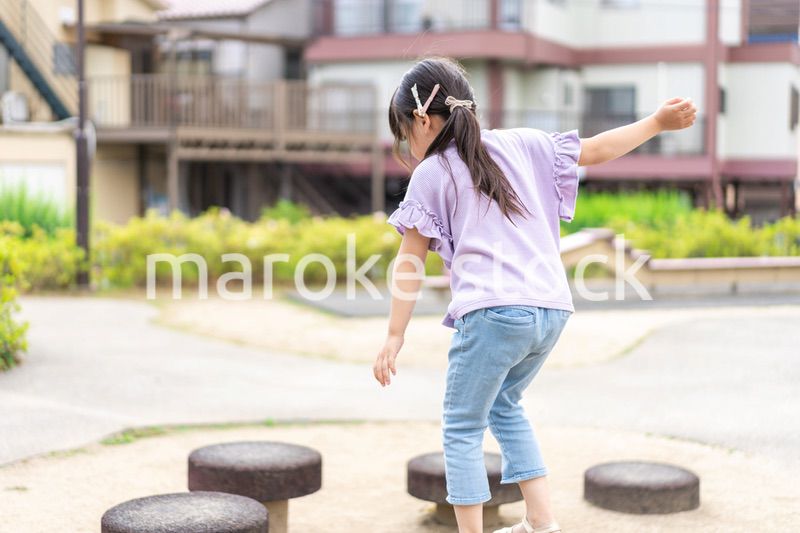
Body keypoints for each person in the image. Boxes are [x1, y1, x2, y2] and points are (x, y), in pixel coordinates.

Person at [372, 56, 696, 533]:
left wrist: (394, 336)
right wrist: (657, 122)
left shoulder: (433, 172)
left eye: (405, 133)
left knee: (462, 427)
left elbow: (409, 261)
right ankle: (541, 523)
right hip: (550, 311)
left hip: (492, 314)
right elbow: (599, 149)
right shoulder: (524, 143)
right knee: (504, 405)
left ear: (421, 120)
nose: (408, 146)